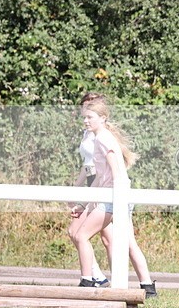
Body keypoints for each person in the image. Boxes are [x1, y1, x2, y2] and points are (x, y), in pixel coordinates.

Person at [67, 97, 157, 297]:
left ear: (102, 118)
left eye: (90, 117)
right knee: (126, 242)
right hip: (112, 195)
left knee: (81, 235)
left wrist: (115, 199)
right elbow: (101, 176)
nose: (86, 121)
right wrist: (85, 203)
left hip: (115, 196)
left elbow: (116, 172)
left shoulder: (103, 138)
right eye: (85, 117)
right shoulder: (100, 137)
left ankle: (88, 281)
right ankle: (148, 287)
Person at [69, 92, 110, 287]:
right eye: (84, 109)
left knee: (108, 238)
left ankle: (104, 279)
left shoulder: (101, 134)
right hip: (91, 180)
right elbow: (87, 163)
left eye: (89, 110)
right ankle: (98, 276)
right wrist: (76, 187)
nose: (85, 114)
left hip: (100, 182)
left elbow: (106, 165)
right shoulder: (87, 132)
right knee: (76, 232)